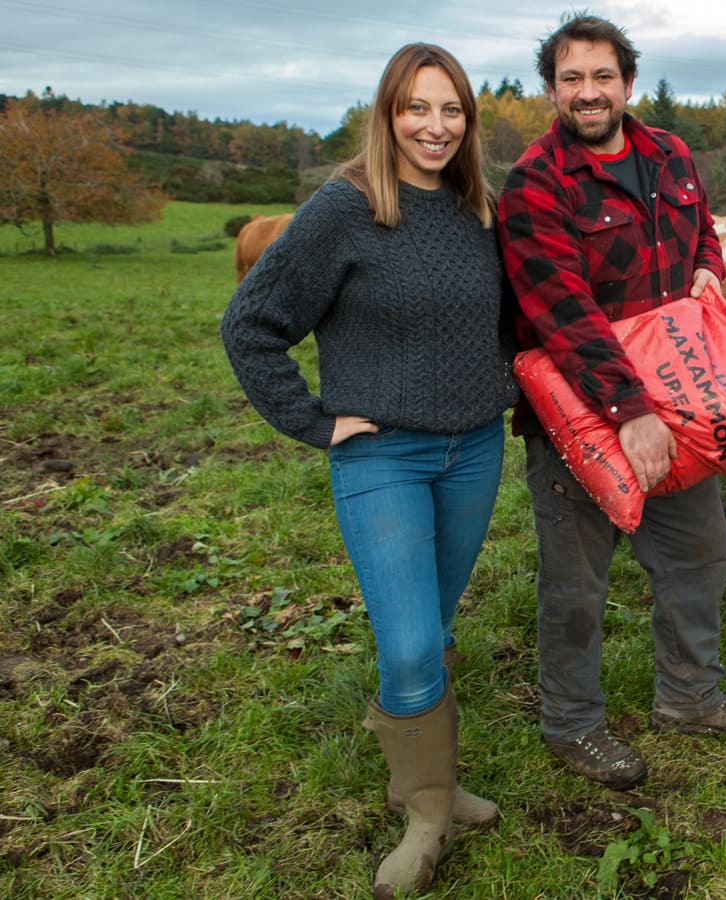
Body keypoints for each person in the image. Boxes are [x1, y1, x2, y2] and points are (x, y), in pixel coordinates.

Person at [219, 43, 516, 898]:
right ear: (388, 114)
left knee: (434, 619)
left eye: (452, 109)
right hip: (381, 452)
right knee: (413, 641)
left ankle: (436, 778)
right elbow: (251, 325)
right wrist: (313, 420)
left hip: (473, 451)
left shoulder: (477, 211)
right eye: (417, 108)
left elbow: (500, 323)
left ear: (469, 120)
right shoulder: (343, 210)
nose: (436, 126)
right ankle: (423, 810)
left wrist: (502, 379)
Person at [499, 13, 726, 791]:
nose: (589, 92)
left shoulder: (670, 155)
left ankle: (690, 696)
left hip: (678, 401)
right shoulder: (535, 183)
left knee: (697, 556)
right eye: (572, 78)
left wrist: (710, 267)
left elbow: (703, 232)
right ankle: (572, 724)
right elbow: (563, 313)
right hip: (581, 415)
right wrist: (630, 412)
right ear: (551, 89)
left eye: (603, 76)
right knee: (576, 582)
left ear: (628, 83)